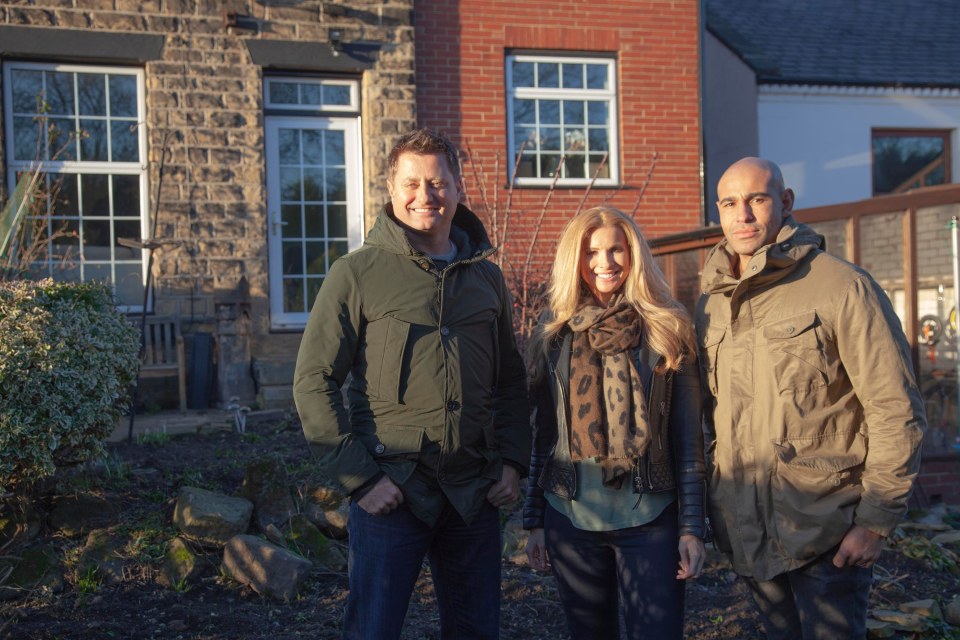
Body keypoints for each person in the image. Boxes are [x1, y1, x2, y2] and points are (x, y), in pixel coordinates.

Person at [293, 128, 530, 640]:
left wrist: (512, 461)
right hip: (392, 491)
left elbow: (511, 379)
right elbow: (314, 382)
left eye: (439, 182)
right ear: (390, 187)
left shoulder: (486, 279)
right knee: (373, 630)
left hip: (473, 492)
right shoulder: (355, 274)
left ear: (459, 188)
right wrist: (360, 479)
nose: (426, 195)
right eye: (412, 183)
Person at [696, 157, 926, 639]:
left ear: (784, 202)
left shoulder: (842, 286)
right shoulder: (712, 302)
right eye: (730, 203)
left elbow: (895, 408)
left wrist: (877, 520)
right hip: (748, 531)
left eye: (757, 200)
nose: (743, 215)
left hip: (828, 530)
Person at [522, 206, 706, 640]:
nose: (604, 263)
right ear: (575, 259)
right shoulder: (554, 333)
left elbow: (688, 438)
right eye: (591, 252)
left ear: (633, 253)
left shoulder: (667, 327)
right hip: (570, 518)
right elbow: (543, 434)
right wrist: (533, 520)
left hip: (651, 519)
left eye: (615, 250)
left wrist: (692, 528)